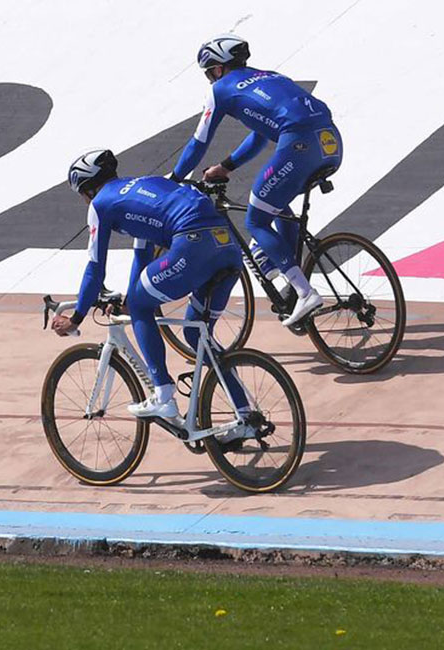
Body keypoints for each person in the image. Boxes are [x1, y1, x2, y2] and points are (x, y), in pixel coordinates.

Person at [50, 149, 249, 428]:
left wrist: (77, 317)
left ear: (88, 190)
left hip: (192, 244)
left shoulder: (99, 205)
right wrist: (129, 300)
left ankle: (163, 395)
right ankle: (246, 416)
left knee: (143, 305)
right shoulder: (144, 186)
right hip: (226, 246)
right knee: (195, 333)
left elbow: (95, 268)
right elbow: (142, 257)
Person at [172, 33, 343, 327]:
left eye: (209, 74)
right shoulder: (269, 76)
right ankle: (291, 279)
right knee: (275, 204)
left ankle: (304, 292)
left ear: (216, 69)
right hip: (331, 142)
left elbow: (198, 142)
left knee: (255, 220)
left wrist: (175, 178)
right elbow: (261, 134)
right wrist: (227, 165)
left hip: (299, 144)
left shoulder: (221, 89)